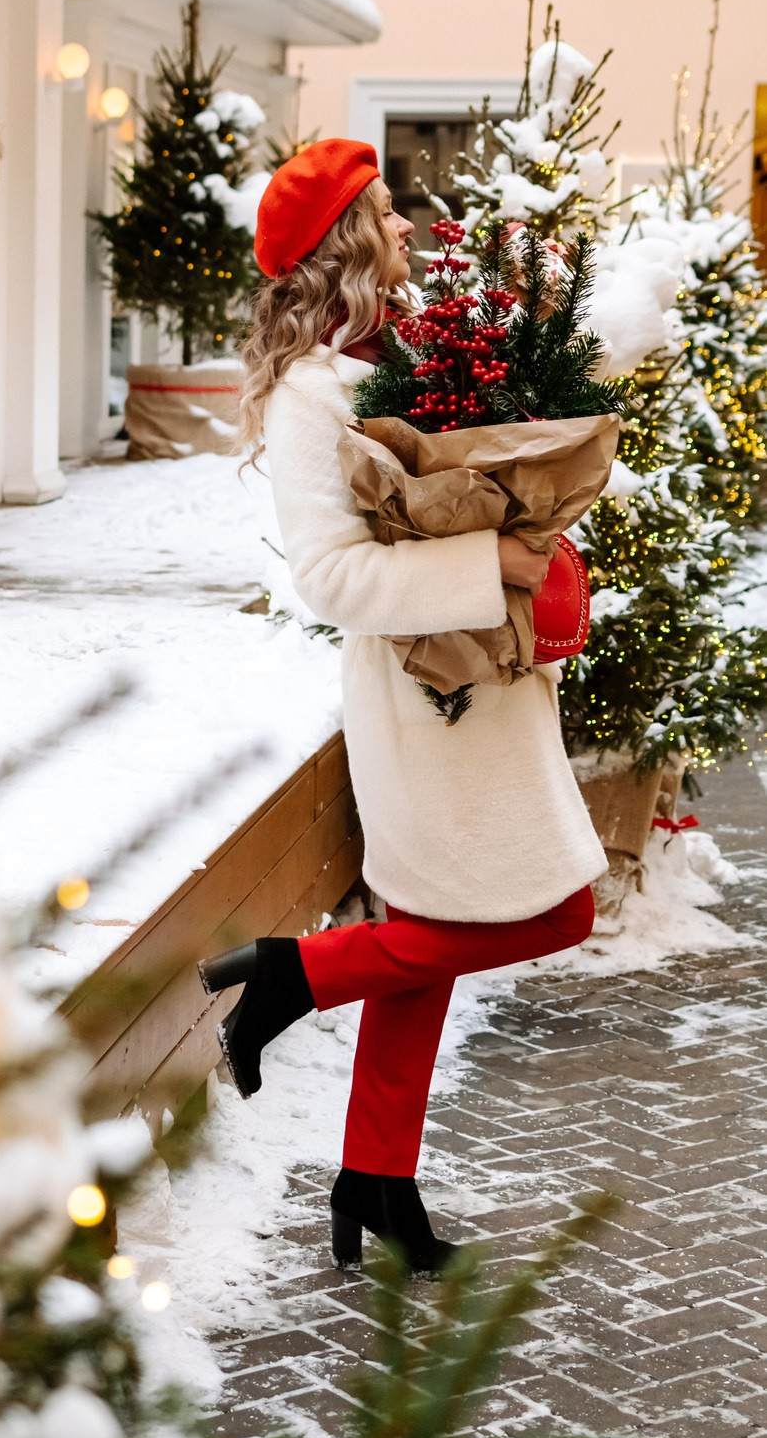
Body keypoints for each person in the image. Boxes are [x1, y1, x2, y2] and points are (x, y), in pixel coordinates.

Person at [200, 140, 604, 1276]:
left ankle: (375, 1173)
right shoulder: (307, 396)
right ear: (343, 242)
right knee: (552, 909)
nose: (402, 222)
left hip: (485, 687)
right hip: (420, 700)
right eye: (380, 208)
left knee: (426, 945)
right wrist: (496, 569)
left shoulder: (409, 352)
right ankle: (293, 975)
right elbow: (327, 579)